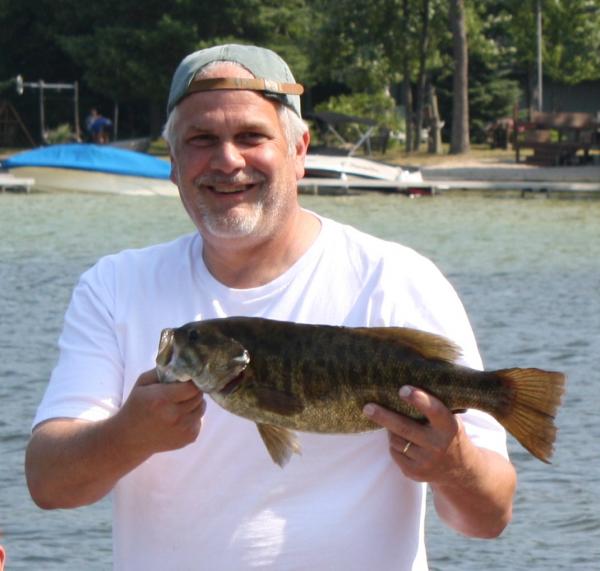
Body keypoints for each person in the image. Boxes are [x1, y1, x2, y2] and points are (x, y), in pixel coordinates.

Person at [26, 44, 516, 570]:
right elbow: (49, 484)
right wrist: (128, 435)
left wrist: (453, 462)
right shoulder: (114, 286)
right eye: (201, 140)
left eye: (251, 137)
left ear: (299, 150)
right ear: (172, 164)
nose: (227, 160)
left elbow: (488, 518)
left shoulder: (397, 280)